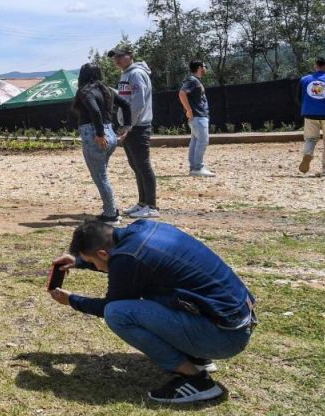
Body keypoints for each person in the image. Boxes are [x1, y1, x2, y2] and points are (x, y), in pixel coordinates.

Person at [48, 219, 256, 405]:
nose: (98, 267)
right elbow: (118, 262)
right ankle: (196, 357)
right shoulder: (143, 229)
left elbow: (109, 305)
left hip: (224, 337)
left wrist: (73, 301)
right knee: (149, 293)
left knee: (117, 313)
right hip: (236, 321)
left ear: (103, 253)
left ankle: (197, 380)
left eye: (94, 262)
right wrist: (81, 261)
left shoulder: (128, 257)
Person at [71, 63, 132, 224]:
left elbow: (95, 111)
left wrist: (99, 134)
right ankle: (111, 210)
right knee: (102, 175)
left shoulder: (85, 91)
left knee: (101, 178)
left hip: (96, 136)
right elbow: (126, 105)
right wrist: (126, 128)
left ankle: (111, 215)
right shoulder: (107, 90)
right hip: (111, 135)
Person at [109, 46, 159, 219]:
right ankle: (142, 203)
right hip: (130, 125)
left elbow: (138, 103)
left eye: (120, 56)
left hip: (138, 126)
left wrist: (129, 126)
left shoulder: (136, 74)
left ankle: (152, 206)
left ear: (130, 56)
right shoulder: (126, 74)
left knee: (143, 166)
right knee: (136, 165)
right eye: (115, 57)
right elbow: (126, 97)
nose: (116, 60)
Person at [179, 60, 215, 177]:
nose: (206, 69)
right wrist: (189, 110)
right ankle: (198, 168)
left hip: (198, 117)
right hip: (198, 116)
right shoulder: (192, 80)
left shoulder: (195, 81)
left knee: (195, 141)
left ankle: (194, 167)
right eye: (205, 66)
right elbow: (182, 93)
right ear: (200, 67)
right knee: (203, 141)